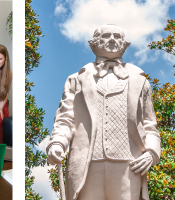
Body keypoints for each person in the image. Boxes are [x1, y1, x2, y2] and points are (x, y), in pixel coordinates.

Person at [47, 24, 159, 200]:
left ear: (125, 44)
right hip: (87, 164)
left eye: (117, 36)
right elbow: (65, 119)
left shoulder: (140, 80)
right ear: (94, 44)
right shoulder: (76, 79)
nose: (112, 39)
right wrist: (57, 143)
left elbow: (150, 125)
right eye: (106, 35)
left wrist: (152, 152)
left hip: (129, 165)